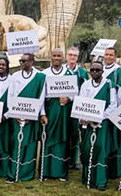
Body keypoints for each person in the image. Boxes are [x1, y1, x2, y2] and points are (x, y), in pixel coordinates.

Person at [79, 61, 118, 191]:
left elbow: (113, 105)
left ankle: (101, 181)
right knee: (87, 148)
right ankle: (88, 178)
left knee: (101, 149)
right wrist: (83, 118)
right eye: (93, 70)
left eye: (98, 70)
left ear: (102, 71)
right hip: (88, 124)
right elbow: (81, 104)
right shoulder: (85, 85)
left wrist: (100, 117)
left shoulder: (109, 85)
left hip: (103, 123)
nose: (95, 72)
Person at [6, 53, 45, 183]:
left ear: (31, 62)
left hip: (31, 117)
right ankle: (13, 173)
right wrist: (15, 113)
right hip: (17, 116)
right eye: (20, 61)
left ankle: (27, 174)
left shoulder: (40, 77)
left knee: (30, 145)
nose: (22, 63)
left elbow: (41, 97)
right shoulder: (15, 76)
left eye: (24, 61)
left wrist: (32, 115)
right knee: (16, 144)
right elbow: (10, 96)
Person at [41, 48, 74, 182]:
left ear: (63, 57)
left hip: (64, 111)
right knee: (48, 139)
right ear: (50, 57)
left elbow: (75, 94)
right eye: (54, 55)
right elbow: (41, 96)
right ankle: (46, 171)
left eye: (59, 56)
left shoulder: (69, 73)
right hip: (50, 109)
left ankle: (60, 171)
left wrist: (69, 99)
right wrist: (42, 113)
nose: (56, 58)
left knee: (62, 139)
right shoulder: (44, 74)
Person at [64, 46, 89, 170]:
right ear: (66, 56)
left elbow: (86, 90)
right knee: (64, 131)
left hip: (76, 106)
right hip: (63, 106)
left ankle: (74, 160)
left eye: (74, 55)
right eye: (70, 55)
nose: (72, 57)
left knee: (75, 132)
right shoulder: (61, 70)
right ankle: (64, 158)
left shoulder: (82, 73)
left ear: (77, 57)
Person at [103, 47, 121, 179]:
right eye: (107, 54)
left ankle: (115, 169)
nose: (109, 57)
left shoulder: (118, 71)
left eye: (111, 55)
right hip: (102, 110)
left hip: (115, 109)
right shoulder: (100, 69)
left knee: (115, 138)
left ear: (115, 57)